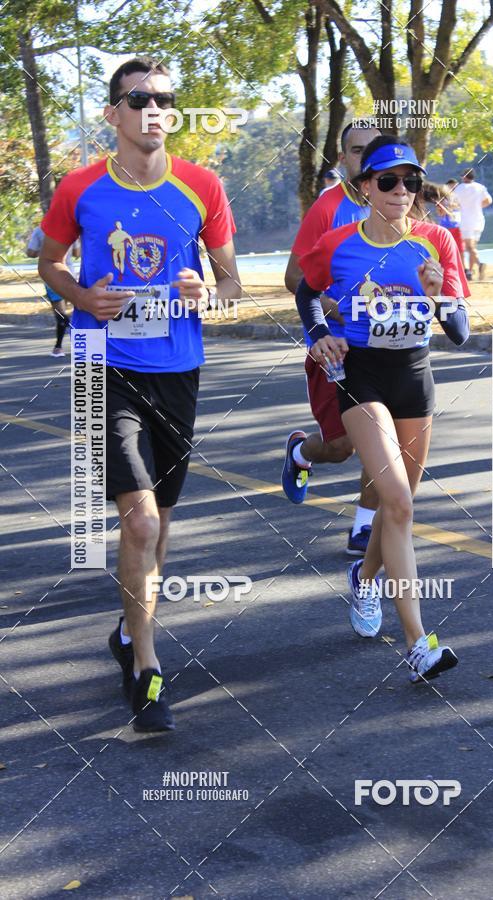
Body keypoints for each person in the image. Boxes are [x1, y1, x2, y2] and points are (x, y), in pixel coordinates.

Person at [38, 56, 240, 731]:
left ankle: (127, 630)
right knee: (140, 520)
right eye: (139, 99)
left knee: (165, 519)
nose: (154, 109)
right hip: (103, 363)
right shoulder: (81, 190)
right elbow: (50, 262)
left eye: (164, 99)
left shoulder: (202, 186)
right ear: (113, 115)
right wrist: (81, 295)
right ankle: (147, 669)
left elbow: (233, 285)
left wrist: (208, 293)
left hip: (177, 367)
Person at [295, 135, 470, 683]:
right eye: (388, 181)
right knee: (394, 497)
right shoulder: (340, 243)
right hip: (361, 374)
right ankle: (419, 643)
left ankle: (365, 583)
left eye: (411, 181)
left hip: (414, 377)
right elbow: (305, 291)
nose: (401, 191)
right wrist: (319, 334)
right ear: (365, 186)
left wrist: (439, 296)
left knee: (398, 504)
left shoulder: (437, 240)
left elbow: (460, 334)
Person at [282, 122, 380, 556]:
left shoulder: (396, 204)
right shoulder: (328, 208)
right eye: (357, 151)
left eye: (373, 150)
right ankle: (303, 452)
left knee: (383, 439)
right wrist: (340, 308)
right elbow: (294, 278)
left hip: (382, 347)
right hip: (334, 346)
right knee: (341, 448)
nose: (366, 158)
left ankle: (364, 526)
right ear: (343, 160)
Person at [26, 225, 79, 357]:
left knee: (61, 315)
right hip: (71, 275)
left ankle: (59, 348)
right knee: (80, 310)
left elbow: (31, 253)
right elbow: (77, 254)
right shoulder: (74, 227)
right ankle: (80, 346)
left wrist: (45, 252)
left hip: (53, 277)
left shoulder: (40, 230)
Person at [453, 169, 492, 281]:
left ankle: (479, 265)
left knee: (468, 247)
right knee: (472, 247)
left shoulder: (459, 188)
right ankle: (469, 271)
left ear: (464, 177)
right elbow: (489, 200)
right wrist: (478, 206)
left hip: (466, 221)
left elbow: (454, 203)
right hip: (479, 220)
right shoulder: (480, 187)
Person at [436, 179, 464, 257]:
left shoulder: (458, 197)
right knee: (446, 249)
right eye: (452, 187)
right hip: (445, 227)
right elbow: (439, 213)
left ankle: (464, 268)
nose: (454, 188)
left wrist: (451, 206)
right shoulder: (442, 198)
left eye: (455, 187)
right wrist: (445, 209)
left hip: (458, 226)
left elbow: (461, 207)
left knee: (460, 249)